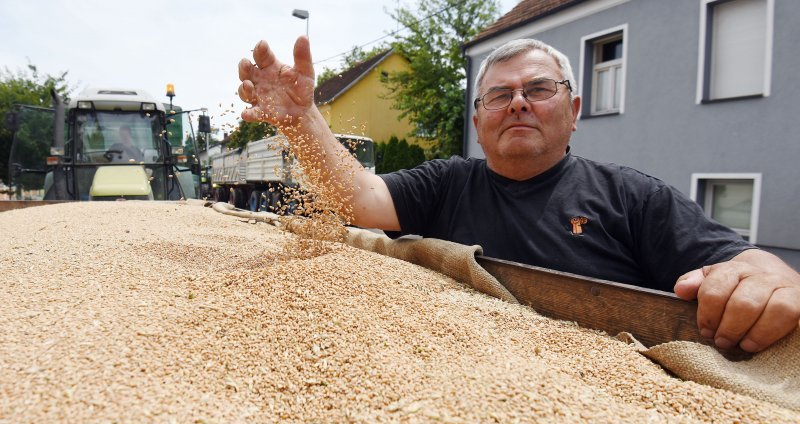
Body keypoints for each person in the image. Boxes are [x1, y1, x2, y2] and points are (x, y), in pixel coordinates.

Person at [237, 36, 800, 353]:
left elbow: (742, 264)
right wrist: (302, 120)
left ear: (574, 111)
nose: (519, 103)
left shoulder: (635, 197)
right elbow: (359, 197)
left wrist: (769, 276)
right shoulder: (449, 182)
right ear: (479, 122)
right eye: (500, 95)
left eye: (538, 89)